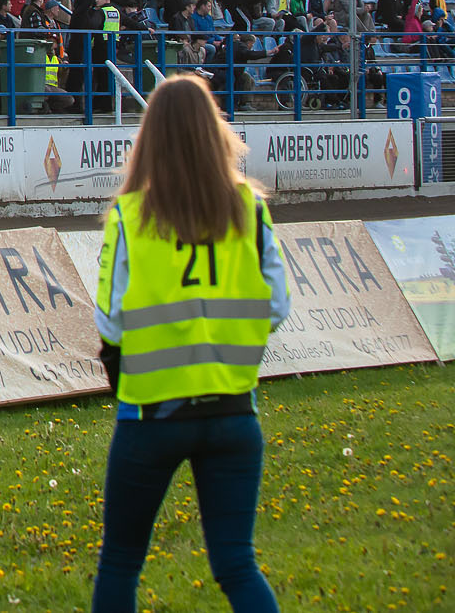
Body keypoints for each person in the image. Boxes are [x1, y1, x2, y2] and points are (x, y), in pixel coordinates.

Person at [90, 74, 292, 613]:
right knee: (237, 565)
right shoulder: (250, 209)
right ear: (216, 133)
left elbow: (109, 322)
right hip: (233, 409)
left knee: (120, 563)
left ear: (148, 137)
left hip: (151, 413)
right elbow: (277, 306)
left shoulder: (129, 216)